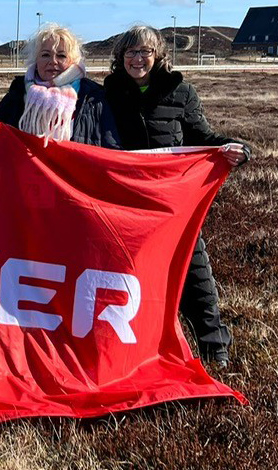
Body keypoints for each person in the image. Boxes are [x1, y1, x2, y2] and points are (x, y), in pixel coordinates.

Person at [103, 25, 250, 367]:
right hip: (125, 207)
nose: (138, 59)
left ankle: (215, 351)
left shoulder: (181, 92)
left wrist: (235, 148)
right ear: (120, 58)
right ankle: (130, 356)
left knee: (195, 276)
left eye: (145, 52)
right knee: (126, 280)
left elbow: (203, 135)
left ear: (158, 56)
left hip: (172, 208)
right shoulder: (108, 92)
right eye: (131, 53)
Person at [0, 24, 119, 148]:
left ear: (73, 61)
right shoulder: (16, 95)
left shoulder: (93, 99)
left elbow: (112, 150)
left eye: (61, 56)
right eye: (45, 55)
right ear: (36, 60)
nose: (52, 61)